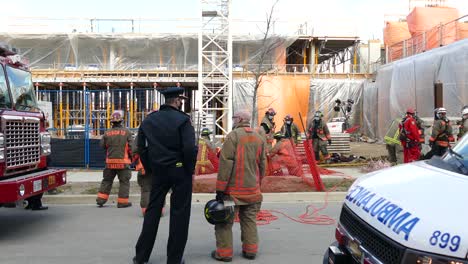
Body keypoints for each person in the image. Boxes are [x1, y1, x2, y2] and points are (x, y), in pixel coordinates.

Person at [133, 87, 197, 264]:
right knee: (180, 214)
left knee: (153, 211)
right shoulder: (183, 121)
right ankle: (174, 259)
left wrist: (151, 167)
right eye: (180, 101)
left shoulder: (149, 121)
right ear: (177, 101)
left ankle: (141, 256)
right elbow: (189, 149)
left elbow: (142, 148)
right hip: (180, 171)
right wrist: (189, 170)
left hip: (159, 171)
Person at [212, 110, 267, 262]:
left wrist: (220, 189)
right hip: (253, 192)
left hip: (233, 193)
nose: (232, 120)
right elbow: (263, 165)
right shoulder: (259, 138)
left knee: (225, 221)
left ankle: (224, 253)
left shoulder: (233, 136)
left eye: (234, 118)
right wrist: (257, 183)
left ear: (240, 119)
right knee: (249, 220)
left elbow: (226, 164)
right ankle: (250, 251)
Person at [96, 111, 133, 208]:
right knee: (124, 182)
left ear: (111, 122)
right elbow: (132, 147)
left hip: (110, 163)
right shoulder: (127, 132)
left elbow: (102, 146)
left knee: (107, 181)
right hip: (123, 163)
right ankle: (122, 202)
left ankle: (101, 200)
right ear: (121, 121)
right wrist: (132, 158)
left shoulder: (107, 133)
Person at [132, 135, 165, 217]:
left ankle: (146, 210)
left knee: (146, 189)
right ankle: (159, 210)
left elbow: (134, 150)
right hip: (159, 166)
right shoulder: (162, 132)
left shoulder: (142, 134)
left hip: (144, 167)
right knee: (159, 188)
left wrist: (137, 162)